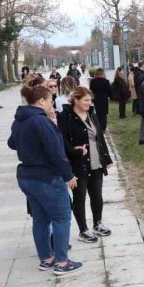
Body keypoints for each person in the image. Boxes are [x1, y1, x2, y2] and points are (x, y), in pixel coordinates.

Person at [8, 83, 83, 276]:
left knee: (40, 219)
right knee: (61, 217)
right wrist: (68, 174)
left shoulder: (20, 120)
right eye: (50, 101)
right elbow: (56, 152)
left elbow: (12, 143)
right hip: (47, 177)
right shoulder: (41, 121)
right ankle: (62, 262)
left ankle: (46, 258)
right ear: (41, 101)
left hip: (27, 176)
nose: (52, 104)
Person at [57, 86, 114, 242]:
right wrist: (74, 151)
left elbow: (100, 137)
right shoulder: (65, 117)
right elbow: (61, 140)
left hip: (96, 161)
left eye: (90, 100)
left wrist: (107, 158)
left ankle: (97, 223)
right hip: (78, 163)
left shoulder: (91, 113)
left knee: (97, 195)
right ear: (76, 100)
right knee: (80, 197)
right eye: (86, 100)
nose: (89, 103)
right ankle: (83, 230)